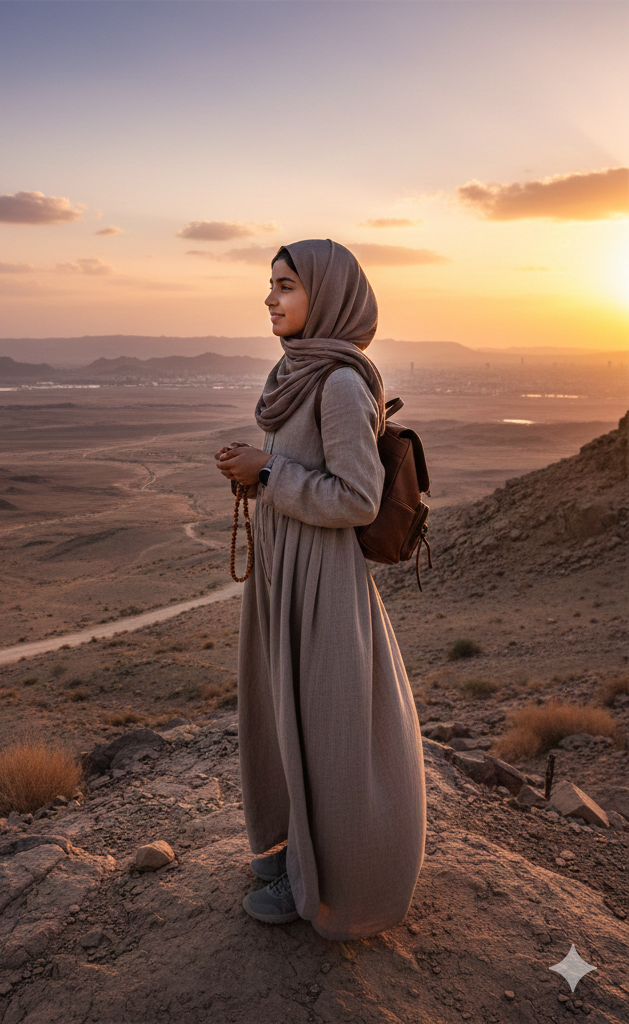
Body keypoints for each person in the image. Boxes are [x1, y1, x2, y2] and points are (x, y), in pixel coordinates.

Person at [214, 239, 426, 941]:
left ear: (328, 295)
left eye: (286, 286)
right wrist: (255, 472)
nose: (271, 299)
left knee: (330, 731)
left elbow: (359, 500)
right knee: (283, 718)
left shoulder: (338, 382)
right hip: (285, 568)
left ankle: (338, 884)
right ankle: (289, 856)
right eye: (270, 285)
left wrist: (267, 474)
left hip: (323, 578)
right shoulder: (295, 372)